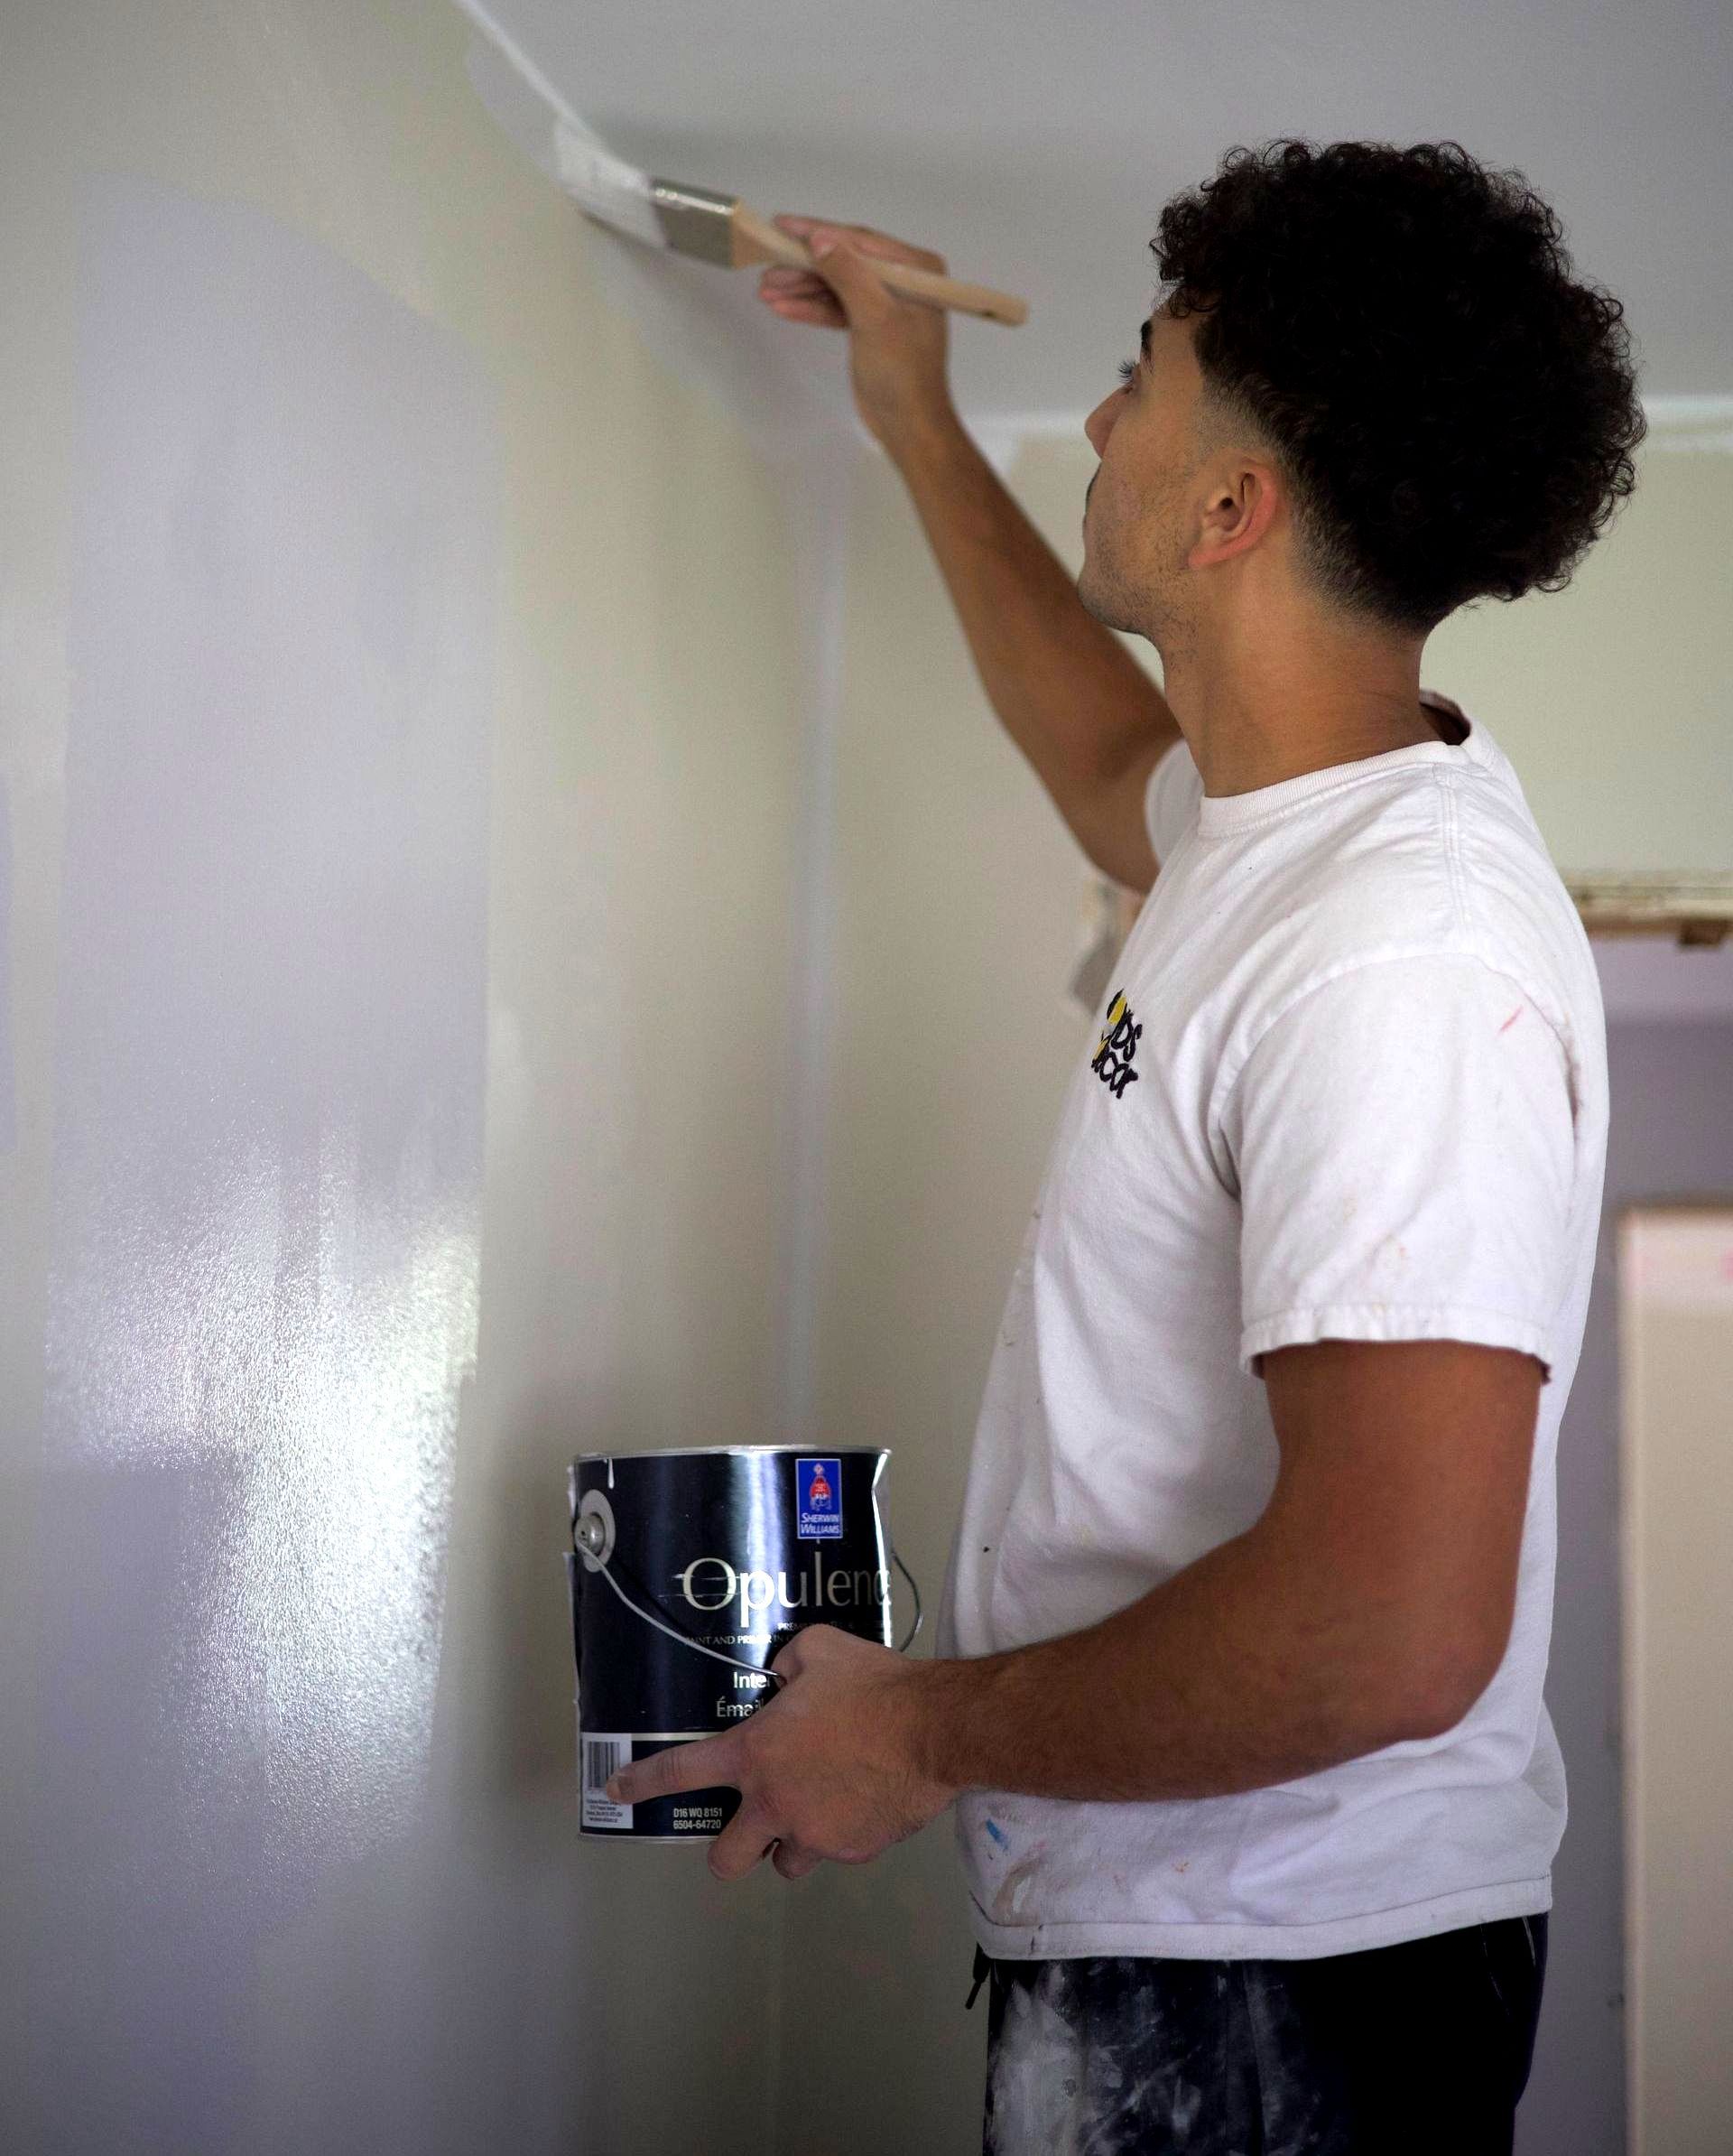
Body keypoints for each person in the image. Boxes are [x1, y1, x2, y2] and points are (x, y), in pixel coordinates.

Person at [604, 138, 1645, 2151]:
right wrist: (908, 410)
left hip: (1279, 1979)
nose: (1095, 416)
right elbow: (1106, 759)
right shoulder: (1285, 838)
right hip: (1216, 1938)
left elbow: (1394, 1623)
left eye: (1140, 377)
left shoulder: (1399, 954)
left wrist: (910, 1735)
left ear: (1233, 506)